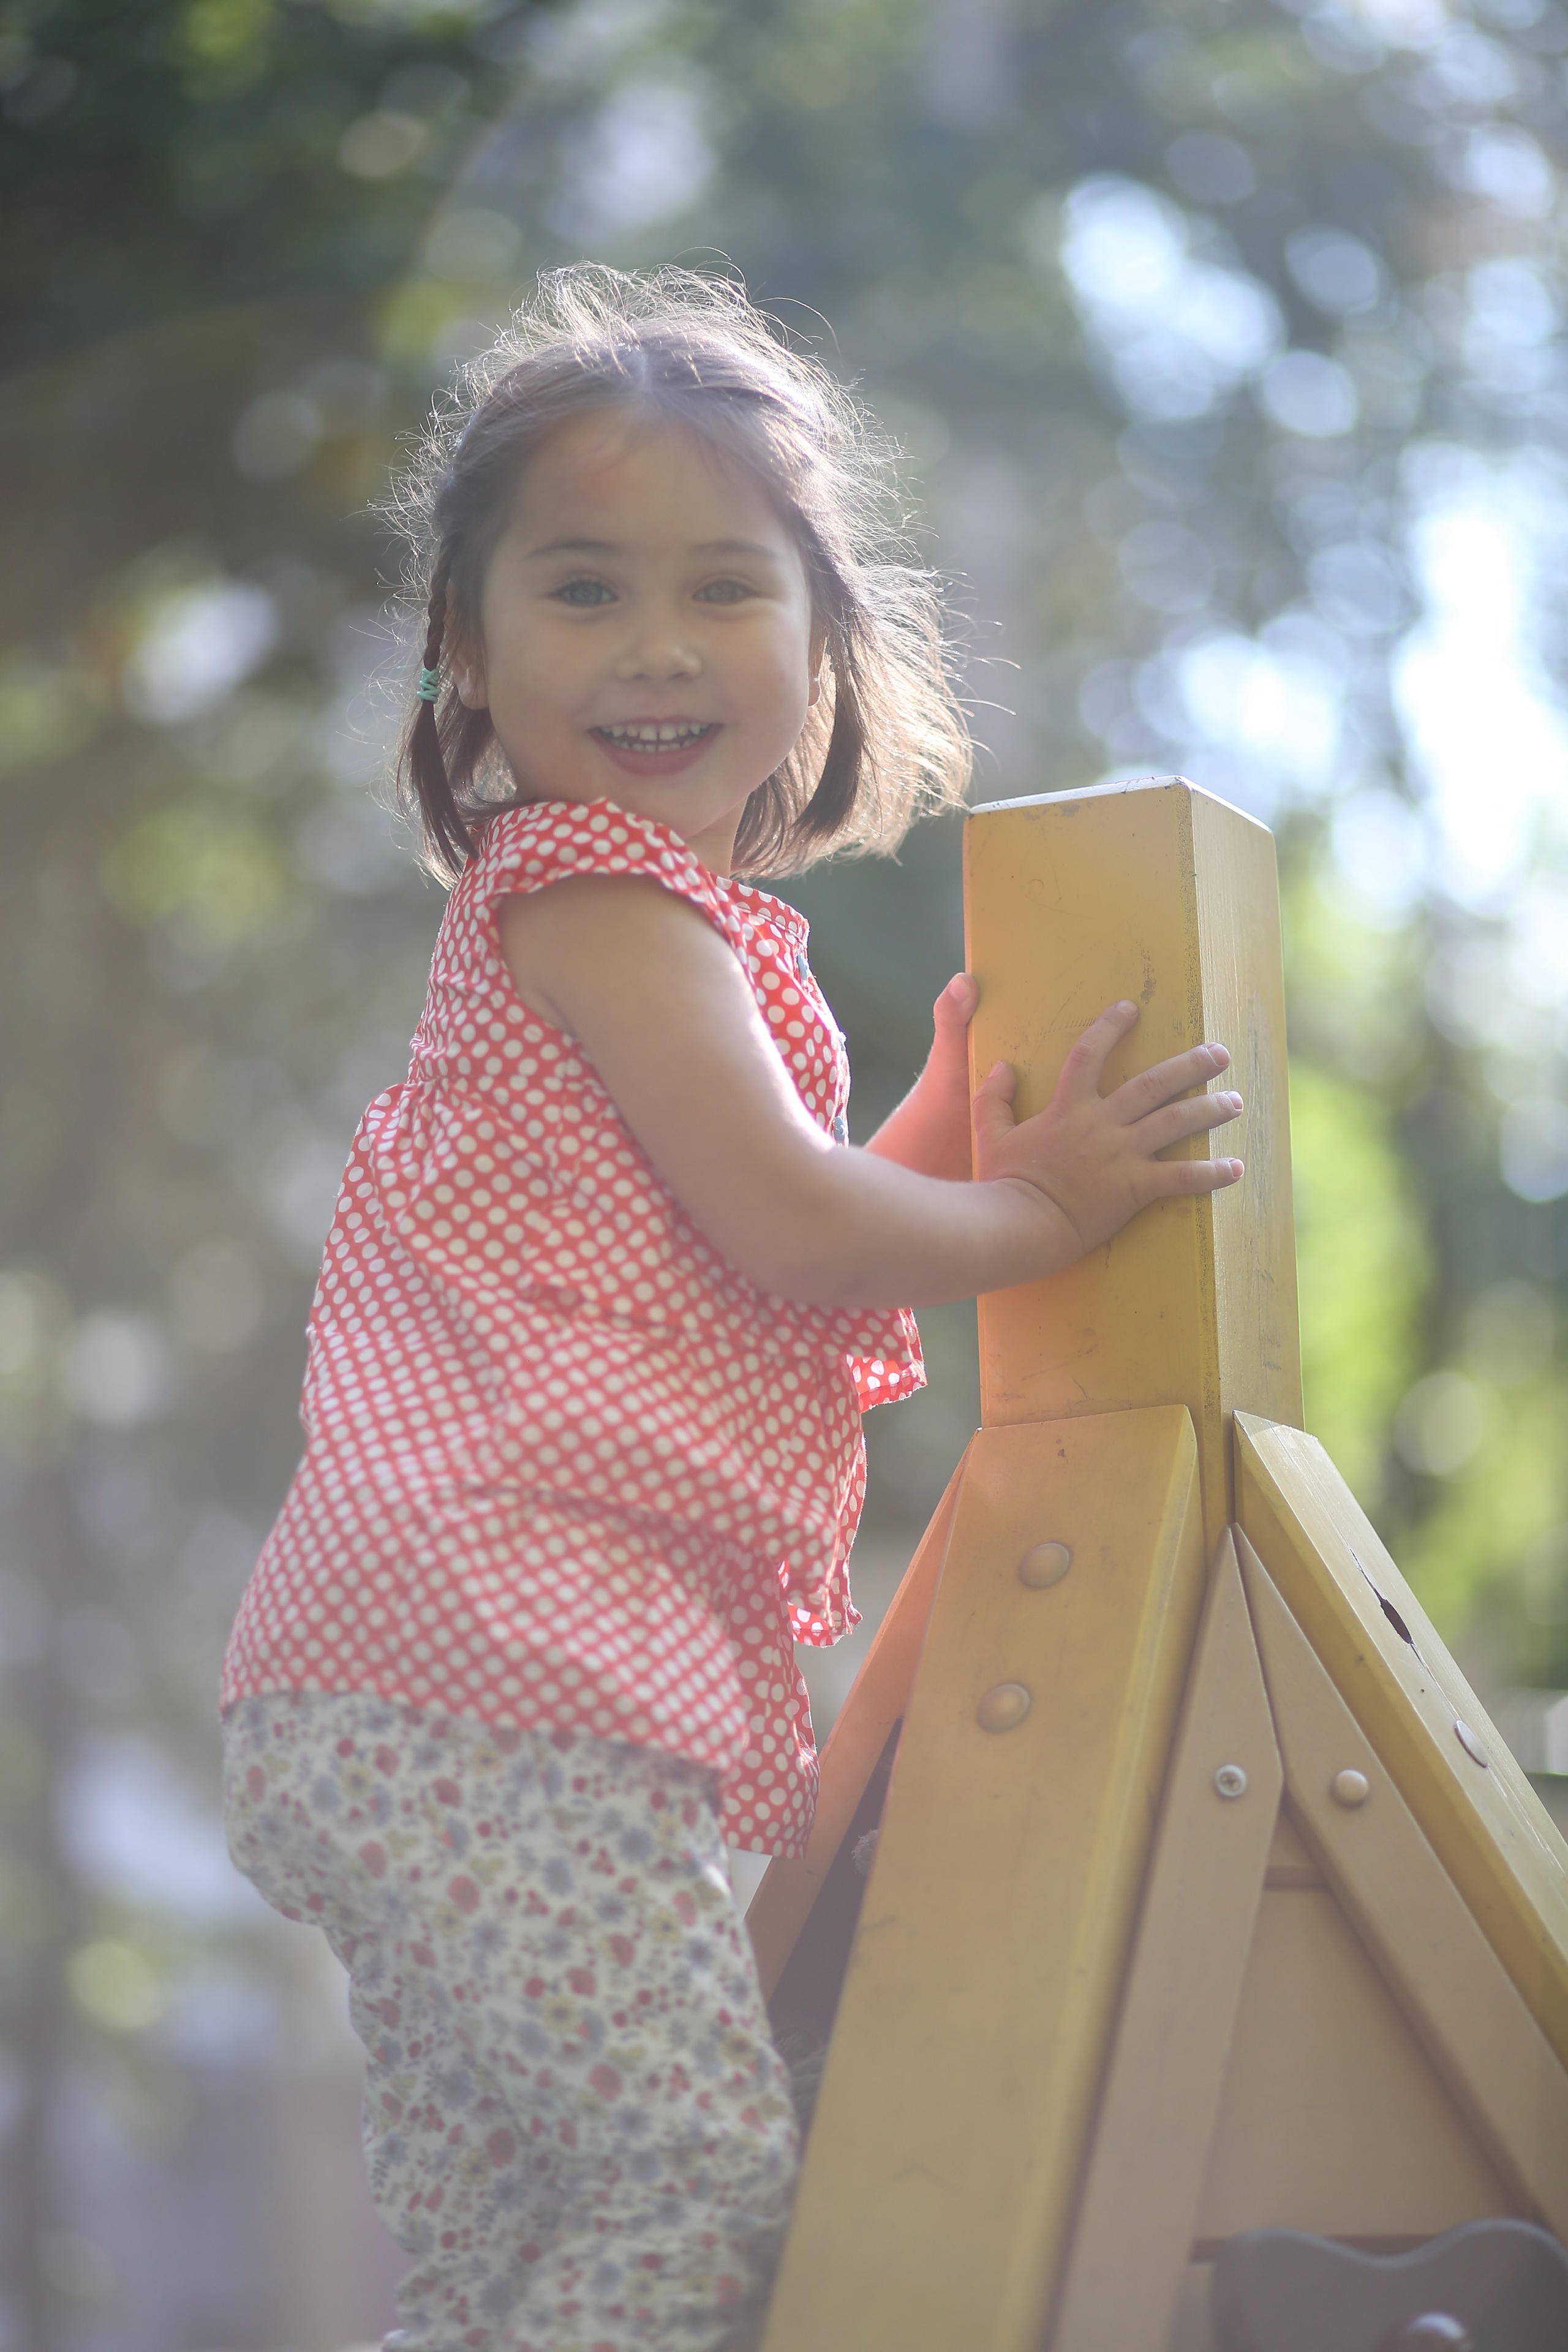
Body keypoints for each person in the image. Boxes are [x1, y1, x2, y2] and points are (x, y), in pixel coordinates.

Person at [219, 264, 1244, 2352]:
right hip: (490, 1671)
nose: (661, 647)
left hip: (420, 1682)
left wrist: (961, 1107)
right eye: (582, 589)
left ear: (821, 634)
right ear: (466, 657)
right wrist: (1051, 1204)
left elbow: (794, 1204)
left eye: (722, 588)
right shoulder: (594, 895)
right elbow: (797, 1233)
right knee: (691, 2179)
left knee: (511, 2243)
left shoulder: (669, 936)